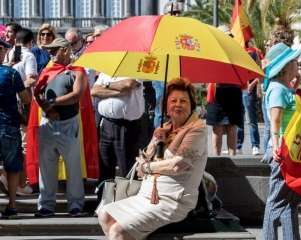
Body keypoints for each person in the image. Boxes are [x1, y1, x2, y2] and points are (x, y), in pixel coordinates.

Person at [97, 77, 207, 240]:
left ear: (191, 105)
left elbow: (178, 165)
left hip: (170, 200)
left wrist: (148, 167)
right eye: (173, 100)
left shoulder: (196, 129)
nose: (177, 105)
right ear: (166, 106)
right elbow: (142, 162)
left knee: (118, 232)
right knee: (105, 214)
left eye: (183, 101)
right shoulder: (164, 128)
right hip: (146, 195)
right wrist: (155, 142)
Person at [33, 38, 87, 217]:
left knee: (73, 166)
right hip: (47, 123)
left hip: (68, 123)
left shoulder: (77, 71)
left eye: (54, 50)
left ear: (64, 50)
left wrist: (51, 103)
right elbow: (37, 93)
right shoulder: (47, 70)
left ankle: (76, 205)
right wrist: (46, 107)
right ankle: (46, 205)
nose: (50, 53)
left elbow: (76, 95)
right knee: (46, 167)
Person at [262, 43, 301, 240]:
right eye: (295, 61)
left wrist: (295, 85)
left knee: (290, 201)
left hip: (290, 149)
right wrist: (277, 145)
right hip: (282, 150)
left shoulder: (283, 87)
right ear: (286, 65)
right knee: (276, 201)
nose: (298, 64)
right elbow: (276, 120)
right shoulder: (277, 88)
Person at [91, 73, 144, 203]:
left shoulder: (135, 69)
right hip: (107, 124)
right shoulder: (106, 72)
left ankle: (128, 205)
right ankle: (103, 204)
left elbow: (128, 84)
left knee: (127, 168)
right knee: (105, 168)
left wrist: (107, 86)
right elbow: (94, 91)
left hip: (126, 126)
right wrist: (118, 91)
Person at [0, 38, 31, 218]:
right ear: (3, 52)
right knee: (12, 168)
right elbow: (26, 99)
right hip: (9, 126)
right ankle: (11, 205)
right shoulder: (11, 74)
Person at [206, 25, 244, 156]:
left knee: (232, 127)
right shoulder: (211, 51)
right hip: (218, 92)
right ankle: (217, 159)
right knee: (217, 129)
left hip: (233, 92)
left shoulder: (236, 51)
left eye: (229, 36)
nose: (228, 38)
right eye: (225, 35)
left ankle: (233, 159)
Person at [237, 39, 261, 155]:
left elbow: (258, 72)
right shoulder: (236, 51)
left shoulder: (253, 52)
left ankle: (255, 145)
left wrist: (253, 84)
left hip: (247, 91)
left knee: (251, 120)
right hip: (237, 90)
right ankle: (238, 145)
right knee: (239, 119)